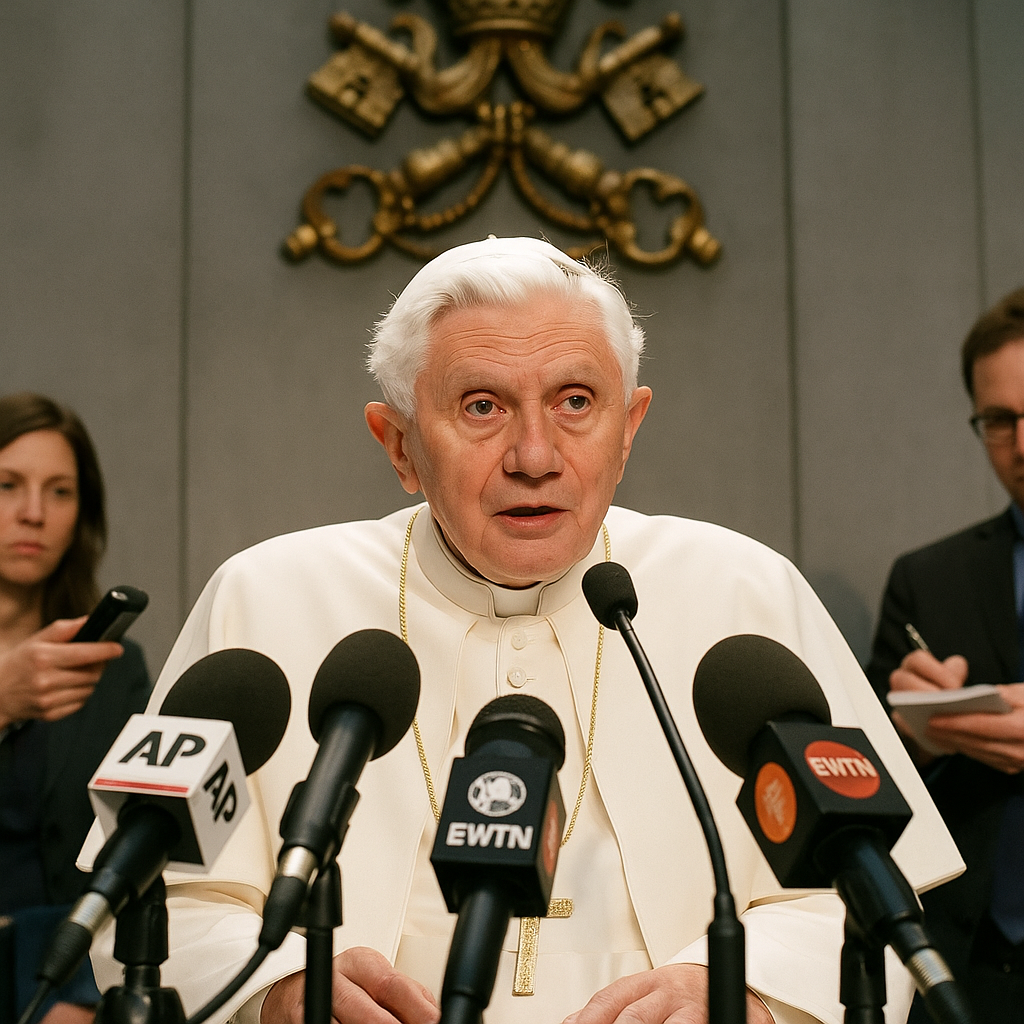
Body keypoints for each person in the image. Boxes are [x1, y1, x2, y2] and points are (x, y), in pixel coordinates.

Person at [89, 238, 961, 1024]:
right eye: (481, 406)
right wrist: (278, 990)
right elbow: (147, 890)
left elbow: (872, 891)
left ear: (630, 429)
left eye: (577, 401)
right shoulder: (266, 600)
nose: (535, 454)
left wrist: (744, 993)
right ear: (397, 445)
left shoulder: (746, 593)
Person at [866, 286, 1024, 1023]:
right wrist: (910, 735)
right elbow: (858, 791)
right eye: (999, 421)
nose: (1022, 445)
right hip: (964, 973)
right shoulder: (928, 581)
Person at [0, 393, 151, 1024]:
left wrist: (82, 992)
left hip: (66, 984)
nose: (33, 513)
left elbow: (136, 845)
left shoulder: (112, 669)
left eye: (60, 492)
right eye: (8, 485)